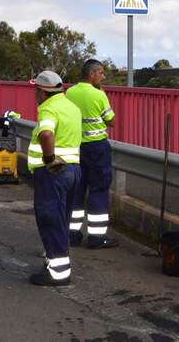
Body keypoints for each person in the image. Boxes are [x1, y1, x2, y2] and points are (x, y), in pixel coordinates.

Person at [27, 70, 83, 286]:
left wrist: (49, 158)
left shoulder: (48, 108)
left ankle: (58, 273)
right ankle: (57, 263)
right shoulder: (71, 107)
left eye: (36, 91)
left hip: (53, 173)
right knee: (62, 220)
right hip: (74, 172)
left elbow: (46, 134)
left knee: (50, 219)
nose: (35, 94)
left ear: (42, 92)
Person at [65, 59, 118, 249]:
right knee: (98, 190)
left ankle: (72, 234)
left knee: (76, 191)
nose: (103, 76)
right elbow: (111, 121)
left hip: (75, 147)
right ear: (92, 74)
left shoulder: (69, 92)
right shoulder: (99, 95)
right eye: (101, 73)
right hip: (96, 148)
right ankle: (96, 237)